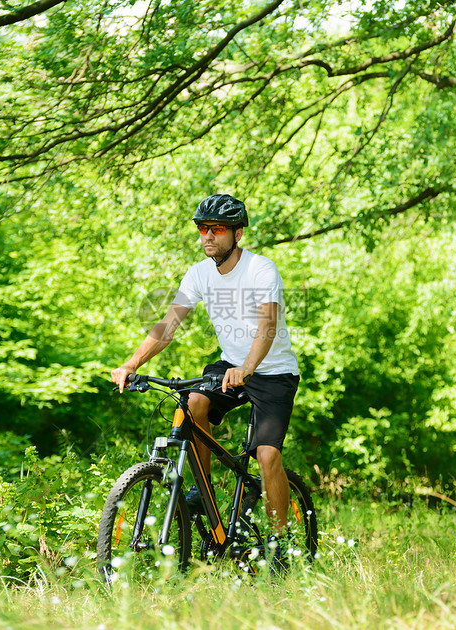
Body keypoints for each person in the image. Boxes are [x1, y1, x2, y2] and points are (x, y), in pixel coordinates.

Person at [111, 193, 300, 565]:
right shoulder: (199, 273)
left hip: (273, 371)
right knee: (193, 402)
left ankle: (281, 544)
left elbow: (267, 325)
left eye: (216, 228)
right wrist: (131, 363)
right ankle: (203, 490)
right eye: (202, 228)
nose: (207, 235)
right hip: (230, 365)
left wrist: (247, 368)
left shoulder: (262, 269)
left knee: (266, 454)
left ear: (238, 233)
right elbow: (168, 326)